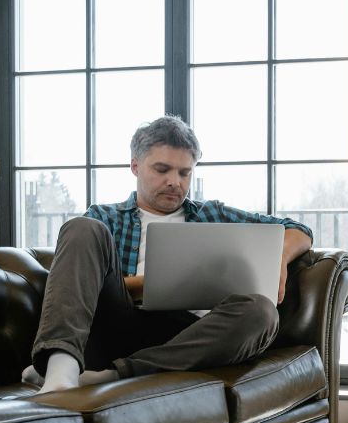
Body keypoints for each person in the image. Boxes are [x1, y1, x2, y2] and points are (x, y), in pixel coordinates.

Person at [22, 115, 313, 394]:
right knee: (81, 227)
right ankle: (60, 370)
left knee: (261, 312)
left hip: (188, 337)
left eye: (185, 172)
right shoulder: (104, 218)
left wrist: (279, 259)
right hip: (120, 321)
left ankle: (115, 375)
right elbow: (83, 287)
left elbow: (298, 230)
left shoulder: (212, 213)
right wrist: (150, 284)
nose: (175, 181)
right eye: (162, 170)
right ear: (135, 166)